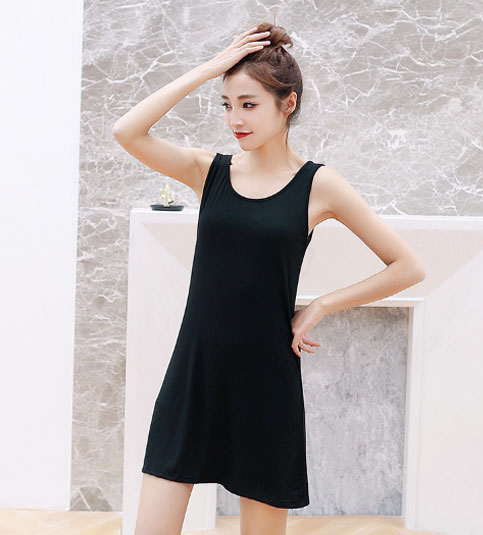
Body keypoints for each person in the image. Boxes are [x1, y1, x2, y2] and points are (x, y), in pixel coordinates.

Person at [113, 22, 425, 535]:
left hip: (265, 383)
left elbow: (408, 266)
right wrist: (210, 68)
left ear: (288, 104)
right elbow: (127, 132)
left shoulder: (319, 185)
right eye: (226, 104)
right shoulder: (208, 171)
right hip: (195, 374)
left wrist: (321, 305)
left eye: (249, 104)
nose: (234, 119)